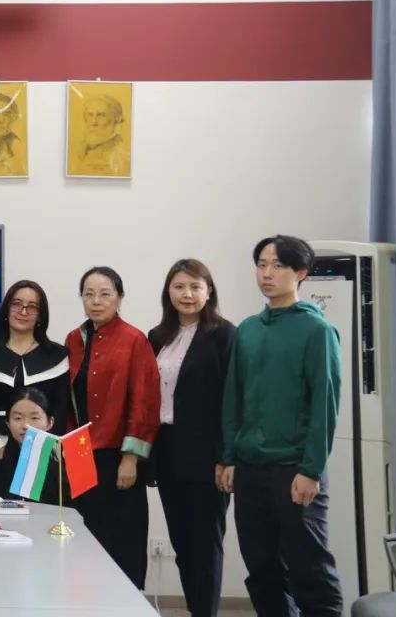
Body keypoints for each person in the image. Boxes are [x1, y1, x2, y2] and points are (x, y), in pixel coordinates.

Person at [220, 236, 343, 616]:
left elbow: (325, 405)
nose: (267, 273)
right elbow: (233, 398)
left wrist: (311, 469)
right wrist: (229, 457)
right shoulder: (248, 330)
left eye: (277, 265)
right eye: (261, 265)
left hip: (295, 469)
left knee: (309, 569)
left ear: (300, 273)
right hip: (250, 469)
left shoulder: (317, 330)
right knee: (261, 568)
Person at [146, 259, 236, 617]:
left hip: (208, 458)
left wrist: (226, 457)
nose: (187, 294)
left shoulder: (224, 335)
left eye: (195, 287)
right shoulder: (157, 336)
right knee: (183, 545)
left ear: (208, 291)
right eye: (179, 286)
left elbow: (232, 400)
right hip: (169, 452)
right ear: (168, 291)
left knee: (205, 546)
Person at [66, 266, 160, 589]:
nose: (96, 301)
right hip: (79, 452)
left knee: (122, 538)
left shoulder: (134, 340)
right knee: (83, 534)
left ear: (120, 297)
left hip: (118, 455)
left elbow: (144, 401)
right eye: (88, 294)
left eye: (105, 294)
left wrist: (131, 457)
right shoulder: (74, 339)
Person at [0, 280, 69, 471]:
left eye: (32, 307)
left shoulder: (57, 356)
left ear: (40, 315)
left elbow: (61, 409)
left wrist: (46, 449)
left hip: (44, 454)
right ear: (6, 310)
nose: (23, 311)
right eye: (16, 304)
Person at [0, 387, 58, 502]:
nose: (25, 425)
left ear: (50, 423)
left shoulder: (61, 473)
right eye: (18, 418)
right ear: (8, 424)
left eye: (34, 418)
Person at [79, 95, 130, 175]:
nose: (93, 122)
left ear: (117, 118)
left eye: (101, 115)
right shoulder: (80, 149)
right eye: (90, 115)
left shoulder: (123, 155)